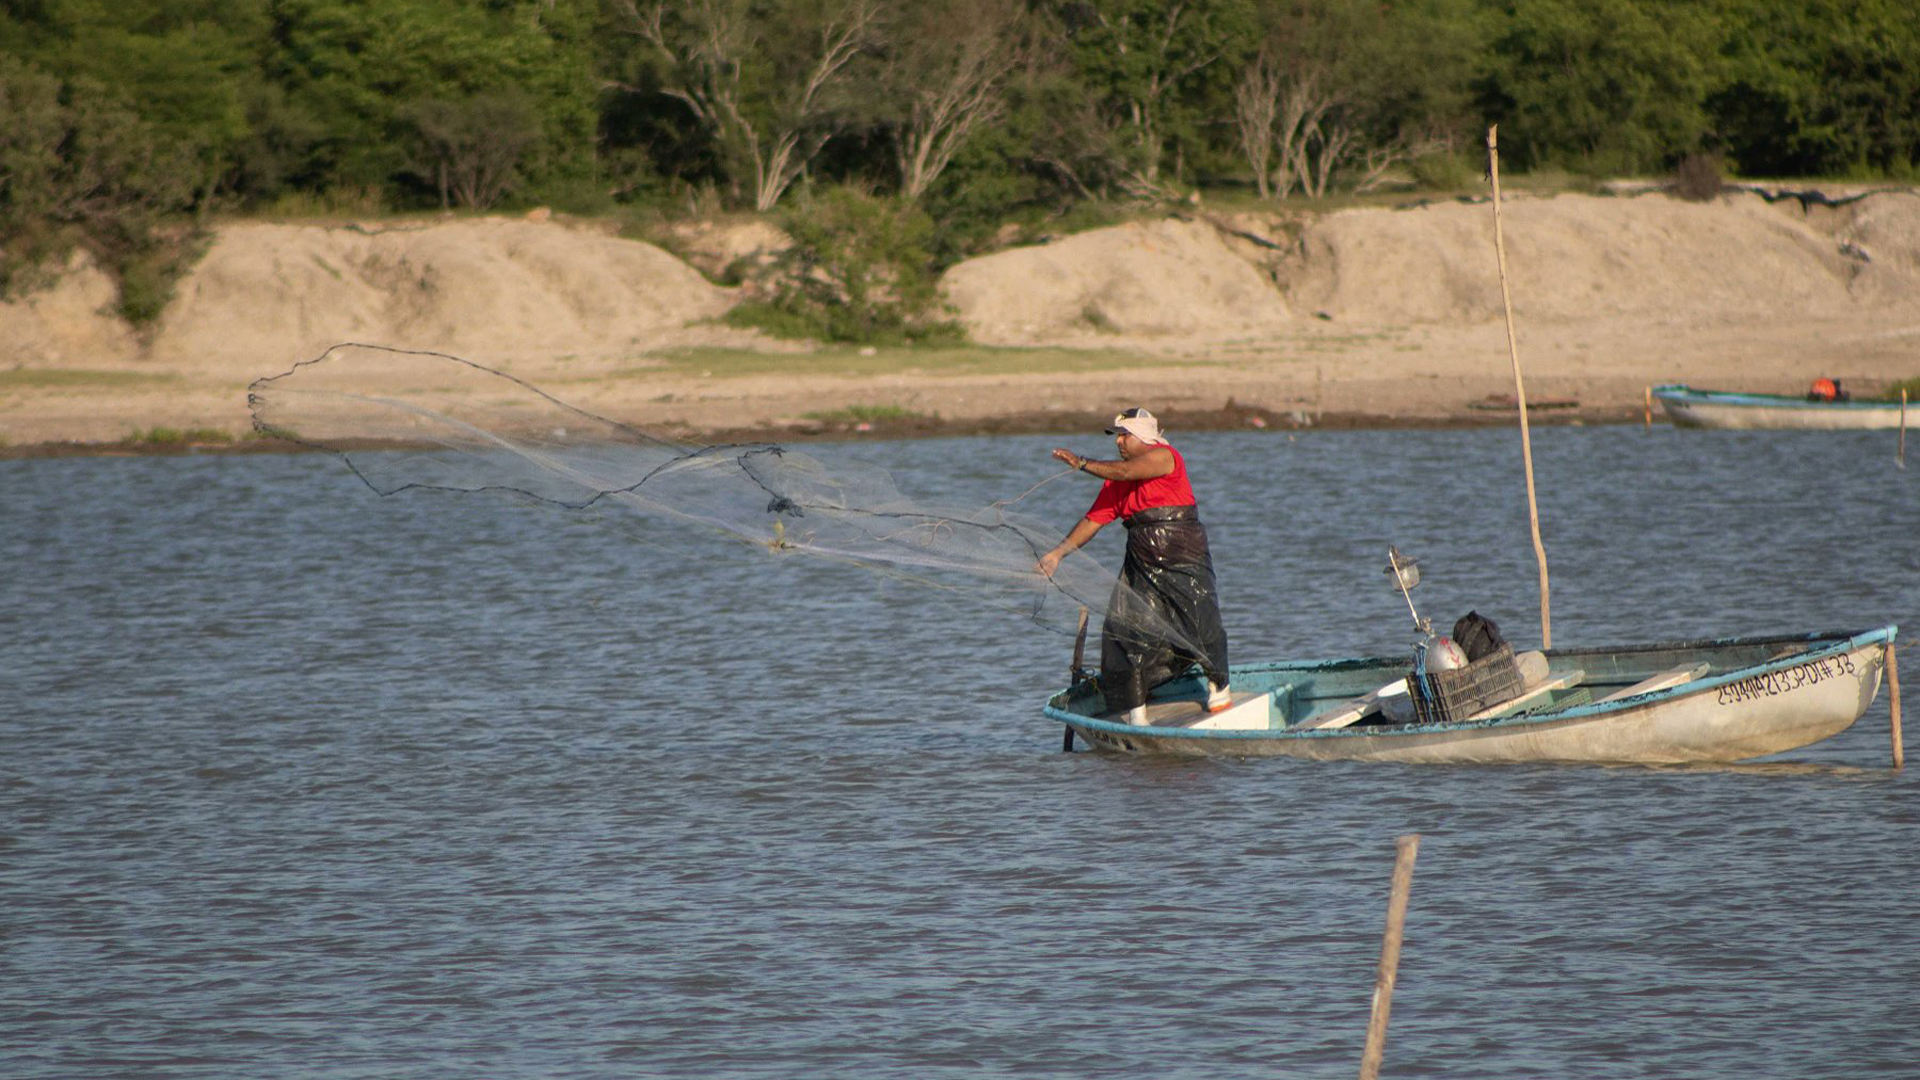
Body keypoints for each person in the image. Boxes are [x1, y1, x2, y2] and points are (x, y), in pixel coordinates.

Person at [1037, 408, 1231, 726]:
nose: (1119, 443)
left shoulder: (1166, 457)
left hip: (1183, 553)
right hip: (1141, 558)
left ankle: (1218, 686)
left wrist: (1082, 463)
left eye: (1124, 436)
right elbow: (1092, 520)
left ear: (1142, 436)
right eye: (1117, 436)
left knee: (1198, 617)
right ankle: (1137, 709)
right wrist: (1057, 554)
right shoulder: (1117, 481)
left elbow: (1128, 472)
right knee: (1127, 628)